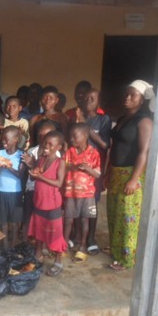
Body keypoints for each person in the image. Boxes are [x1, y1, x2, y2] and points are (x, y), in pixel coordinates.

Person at [106, 80, 153, 270]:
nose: (127, 98)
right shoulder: (124, 118)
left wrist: (134, 179)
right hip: (116, 172)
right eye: (126, 94)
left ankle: (127, 259)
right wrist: (108, 172)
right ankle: (116, 251)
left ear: (141, 100)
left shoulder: (144, 121)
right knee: (114, 213)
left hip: (131, 173)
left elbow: (144, 151)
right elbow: (115, 147)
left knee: (128, 217)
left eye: (132, 95)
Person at [74, 88, 112, 255]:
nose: (88, 100)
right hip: (77, 169)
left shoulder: (103, 120)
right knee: (76, 202)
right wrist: (78, 122)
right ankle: (76, 236)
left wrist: (85, 126)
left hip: (93, 169)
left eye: (93, 98)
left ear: (98, 102)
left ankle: (91, 238)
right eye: (86, 97)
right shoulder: (76, 117)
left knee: (92, 205)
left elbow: (104, 144)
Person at [28, 131, 67, 276]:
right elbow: (34, 179)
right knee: (39, 229)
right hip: (39, 201)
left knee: (55, 233)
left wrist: (40, 177)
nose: (46, 146)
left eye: (51, 144)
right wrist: (33, 172)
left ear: (59, 147)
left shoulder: (60, 162)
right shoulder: (41, 159)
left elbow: (59, 183)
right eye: (45, 143)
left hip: (52, 204)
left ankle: (58, 261)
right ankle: (38, 254)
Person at [63, 123, 101, 263]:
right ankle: (64, 244)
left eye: (75, 136)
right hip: (70, 193)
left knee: (85, 220)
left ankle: (83, 246)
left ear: (85, 136)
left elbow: (97, 174)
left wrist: (87, 169)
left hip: (87, 194)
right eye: (70, 136)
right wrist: (71, 167)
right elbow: (63, 168)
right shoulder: (69, 152)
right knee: (68, 219)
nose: (72, 139)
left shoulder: (93, 153)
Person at [21, 121, 57, 243]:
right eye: (39, 135)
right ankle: (26, 242)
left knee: (43, 219)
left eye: (46, 136)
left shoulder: (55, 154)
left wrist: (34, 163)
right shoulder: (32, 151)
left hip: (46, 193)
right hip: (32, 190)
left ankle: (42, 244)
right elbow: (30, 176)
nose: (42, 138)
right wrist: (31, 166)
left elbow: (52, 175)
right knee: (28, 217)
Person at [0, 126, 26, 248]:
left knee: (15, 222)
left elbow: (20, 174)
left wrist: (7, 166)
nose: (4, 142)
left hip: (15, 192)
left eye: (7, 140)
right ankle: (6, 246)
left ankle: (13, 246)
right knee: (4, 222)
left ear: (16, 139)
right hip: (1, 191)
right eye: (3, 140)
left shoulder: (21, 154)